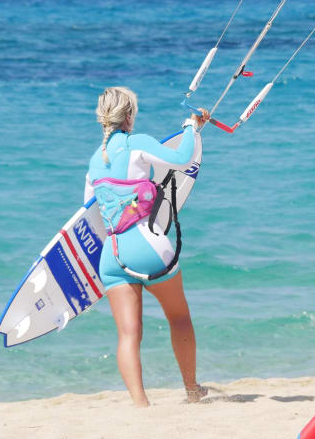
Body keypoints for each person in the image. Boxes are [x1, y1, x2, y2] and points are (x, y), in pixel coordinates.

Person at [86, 86, 210, 407]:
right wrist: (190, 128)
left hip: (112, 257)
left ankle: (141, 406)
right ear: (129, 116)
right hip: (148, 248)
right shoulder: (135, 142)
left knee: (129, 335)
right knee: (179, 318)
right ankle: (192, 390)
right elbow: (182, 159)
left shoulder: (93, 163)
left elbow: (92, 215)